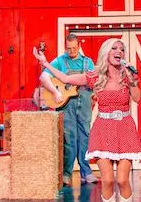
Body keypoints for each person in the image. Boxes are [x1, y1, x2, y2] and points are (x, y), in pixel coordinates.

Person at [34, 38, 141, 202]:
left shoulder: (127, 75)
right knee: (108, 180)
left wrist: (134, 81)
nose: (119, 51)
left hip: (124, 128)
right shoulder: (95, 76)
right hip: (103, 129)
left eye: (122, 48)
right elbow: (66, 79)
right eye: (114, 48)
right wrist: (45, 64)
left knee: (122, 179)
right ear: (106, 52)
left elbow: (137, 98)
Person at [38, 34, 98, 186]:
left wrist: (96, 92)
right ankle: (67, 173)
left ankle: (86, 172)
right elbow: (43, 77)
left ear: (79, 46)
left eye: (74, 48)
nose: (71, 51)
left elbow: (94, 81)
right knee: (69, 140)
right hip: (67, 106)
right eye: (68, 48)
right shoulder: (60, 61)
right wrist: (55, 92)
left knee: (85, 138)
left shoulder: (88, 62)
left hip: (84, 104)